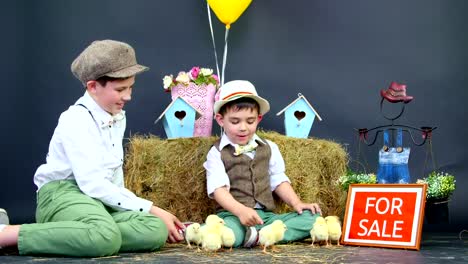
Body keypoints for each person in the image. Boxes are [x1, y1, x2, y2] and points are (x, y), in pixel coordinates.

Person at [0, 40, 184, 256]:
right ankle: (5, 233)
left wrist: (142, 212)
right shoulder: (75, 119)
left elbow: (113, 177)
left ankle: (89, 235)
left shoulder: (117, 116)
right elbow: (91, 183)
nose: (128, 96)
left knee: (155, 229)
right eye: (120, 89)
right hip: (63, 194)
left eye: (131, 87)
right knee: (107, 234)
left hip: (96, 201)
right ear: (93, 86)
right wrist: (152, 207)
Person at [203, 80, 322, 248]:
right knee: (229, 233)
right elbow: (218, 190)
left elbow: (278, 180)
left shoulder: (269, 147)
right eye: (235, 122)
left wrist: (297, 203)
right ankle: (246, 234)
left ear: (259, 119)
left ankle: (259, 236)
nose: (243, 128)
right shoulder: (216, 153)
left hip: (266, 217)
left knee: (313, 219)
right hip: (234, 216)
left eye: (250, 121)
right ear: (221, 120)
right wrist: (241, 211)